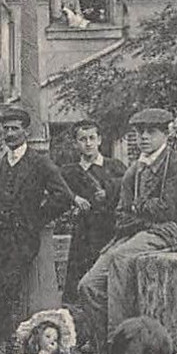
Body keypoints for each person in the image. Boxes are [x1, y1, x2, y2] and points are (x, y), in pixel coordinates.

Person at [78, 107, 177, 354]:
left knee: (121, 259)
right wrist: (139, 212)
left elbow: (169, 210)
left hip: (168, 233)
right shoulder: (136, 169)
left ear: (165, 134)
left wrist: (137, 209)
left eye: (150, 132)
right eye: (140, 132)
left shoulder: (176, 166)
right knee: (88, 286)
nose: (143, 137)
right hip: (133, 232)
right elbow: (120, 213)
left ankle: (119, 346)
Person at [0, 106, 75, 354]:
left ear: (26, 131)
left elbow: (64, 197)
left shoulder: (39, 164)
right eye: (5, 129)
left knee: (7, 294)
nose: (9, 134)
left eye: (15, 129)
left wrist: (35, 218)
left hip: (20, 241)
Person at [61, 119, 125, 320]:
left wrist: (109, 193)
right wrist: (73, 199)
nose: (88, 143)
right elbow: (57, 195)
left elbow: (129, 194)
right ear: (75, 143)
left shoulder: (115, 167)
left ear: (99, 140)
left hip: (110, 234)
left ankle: (106, 333)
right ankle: (84, 335)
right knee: (80, 282)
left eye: (91, 138)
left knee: (108, 284)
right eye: (82, 139)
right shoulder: (69, 173)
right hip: (83, 236)